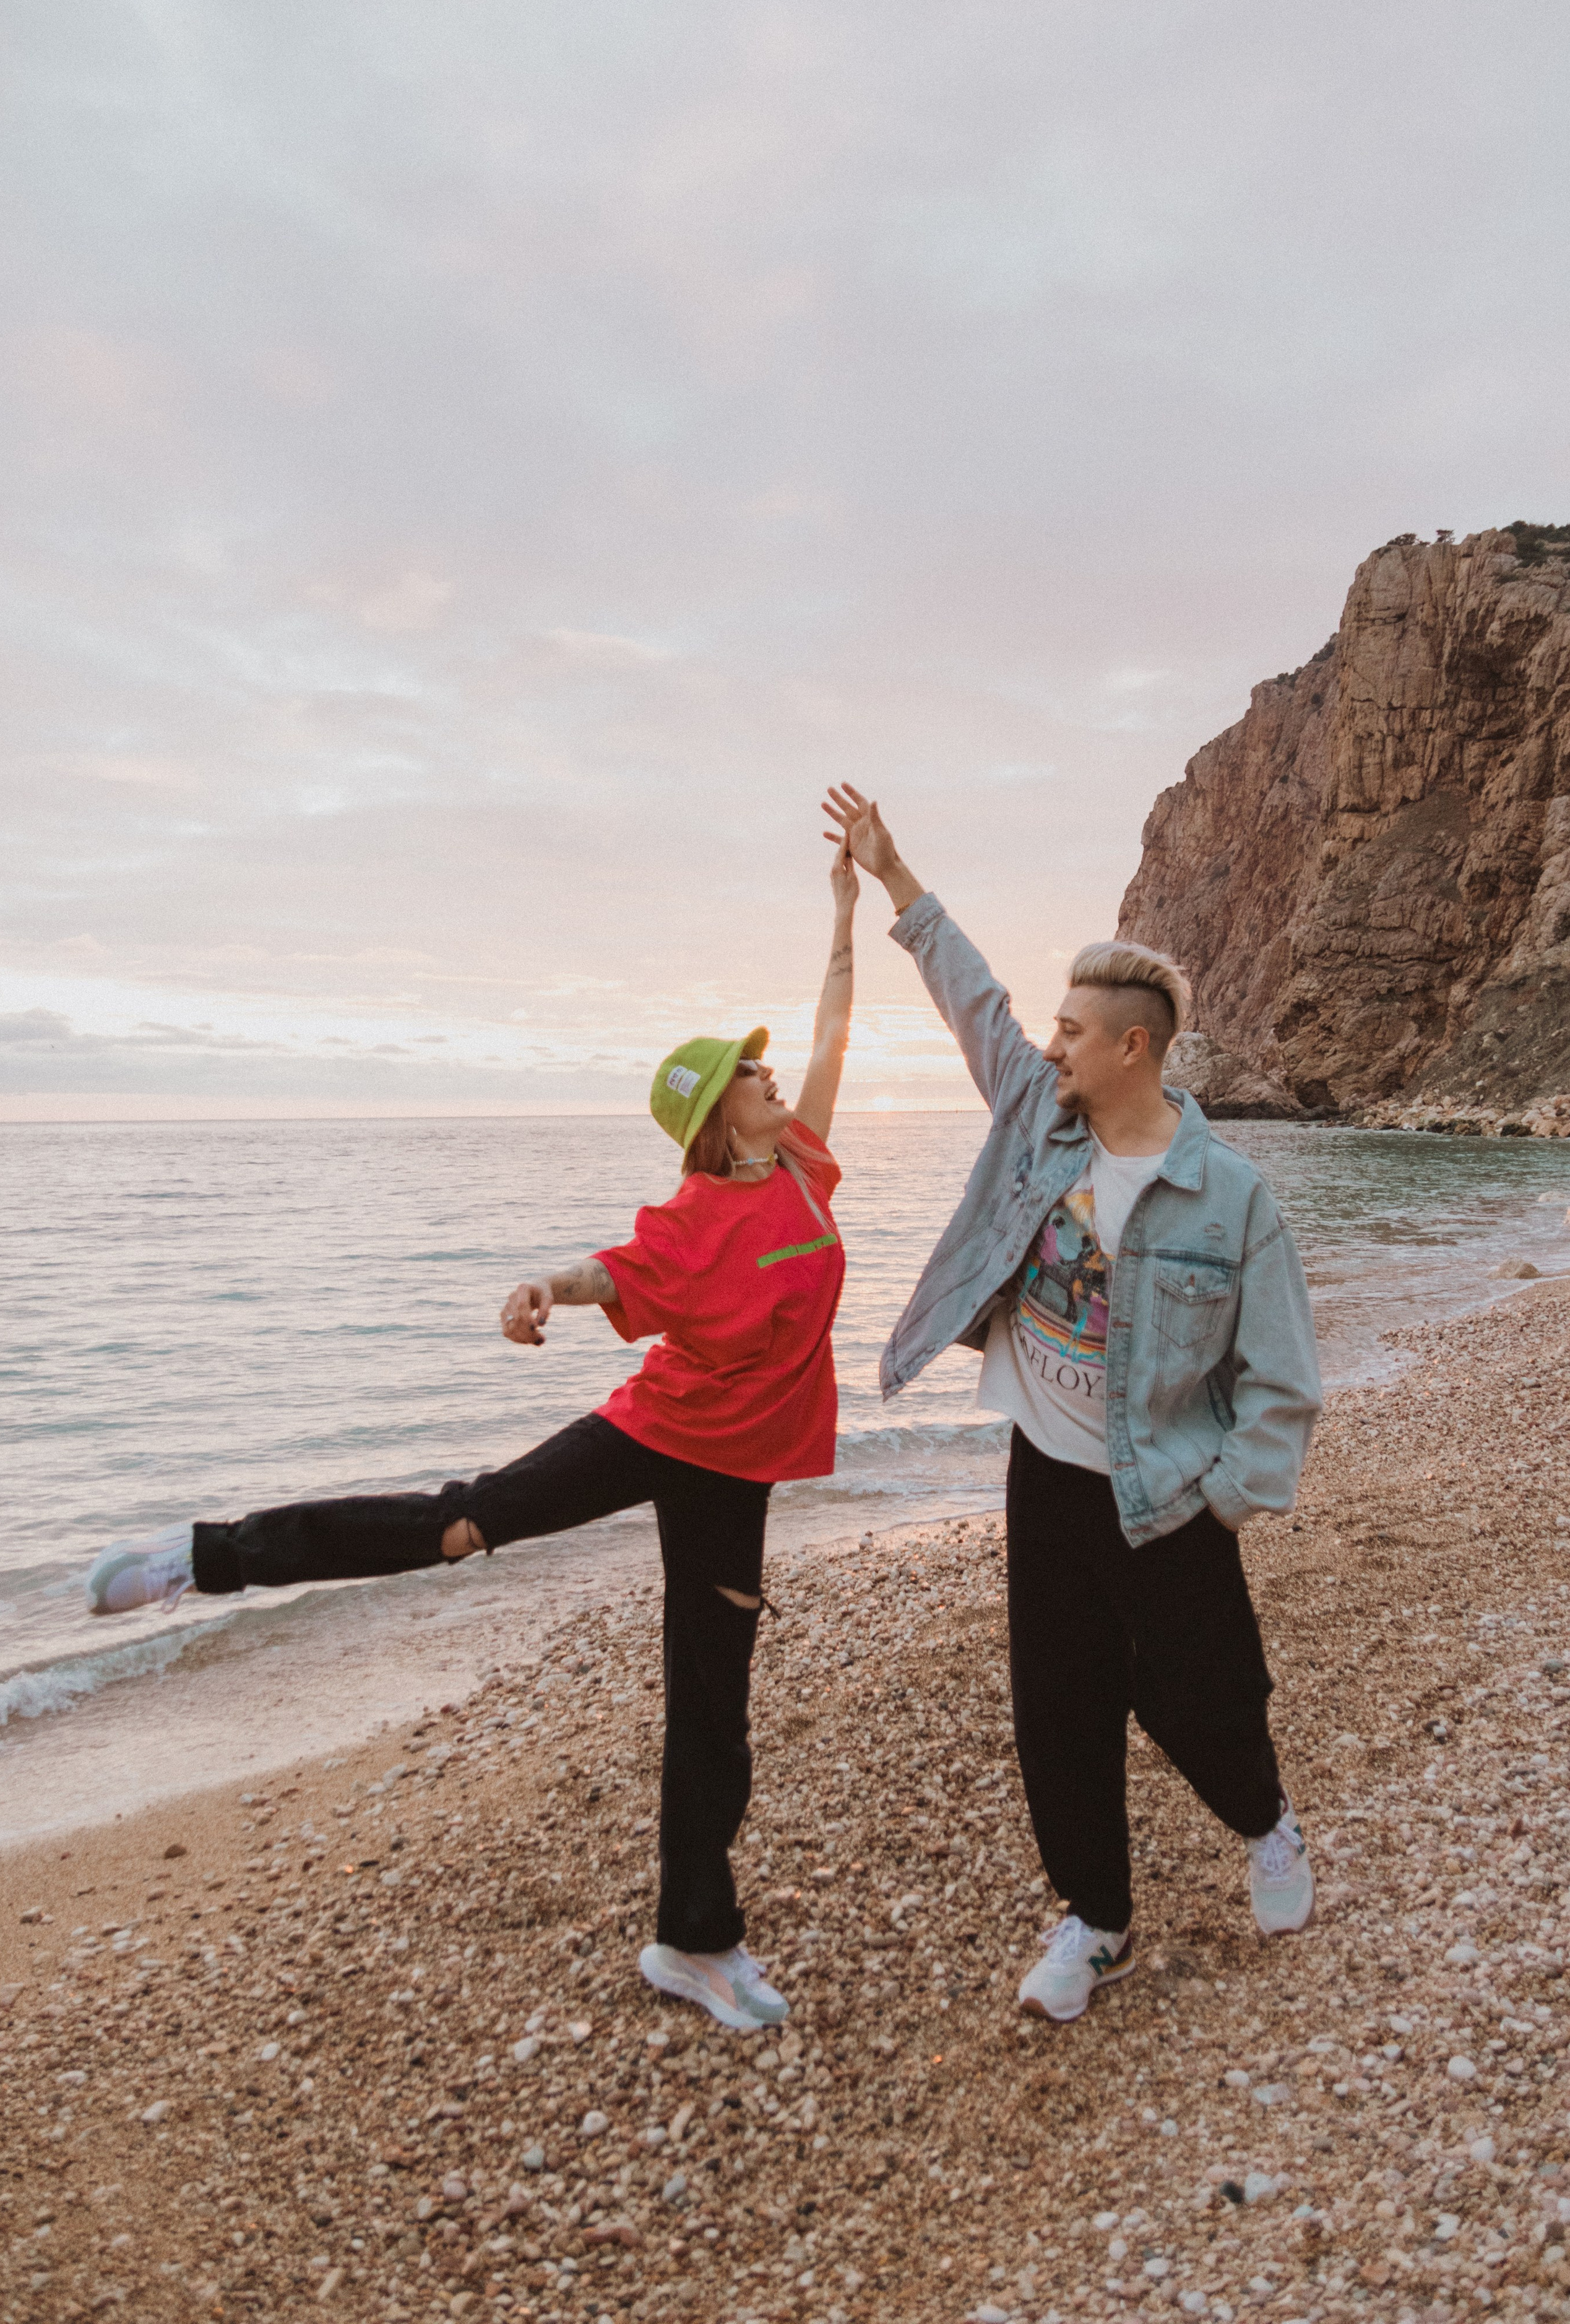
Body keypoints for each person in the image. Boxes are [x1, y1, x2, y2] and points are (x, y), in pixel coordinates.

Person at [84, 845, 862, 2034]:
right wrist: (538, 1285)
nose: (771, 1075)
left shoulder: (804, 1164)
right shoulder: (691, 1217)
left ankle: (695, 1943)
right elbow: (613, 1270)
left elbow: (834, 1031)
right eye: (746, 1073)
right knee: (461, 1525)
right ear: (716, 1119)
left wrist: (848, 911)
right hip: (655, 1431)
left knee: (715, 1705)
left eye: (762, 1066)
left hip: (736, 1472)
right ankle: (206, 1558)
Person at [823, 782, 1322, 2026]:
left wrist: (1227, 1499)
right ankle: (1095, 1919)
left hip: (1165, 1487)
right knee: (1056, 1703)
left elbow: (1280, 1379)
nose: (1046, 1044)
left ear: (1130, 1048)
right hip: (1046, 1477)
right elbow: (972, 998)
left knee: (1201, 1695)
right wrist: (896, 875)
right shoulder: (1036, 1122)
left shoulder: (1228, 1198)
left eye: (1070, 1030)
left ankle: (1265, 1826)